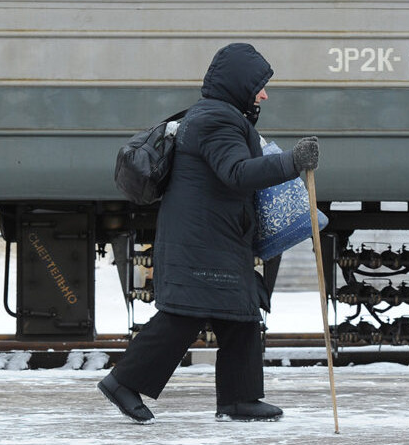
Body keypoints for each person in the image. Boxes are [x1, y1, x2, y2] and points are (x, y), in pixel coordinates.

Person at [98, 43, 320, 424]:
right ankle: (122, 381)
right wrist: (291, 163)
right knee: (183, 315)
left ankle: (240, 399)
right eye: (259, 86)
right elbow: (236, 173)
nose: (264, 94)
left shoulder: (218, 115)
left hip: (214, 236)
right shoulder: (217, 120)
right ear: (239, 84)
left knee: (241, 313)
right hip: (202, 240)